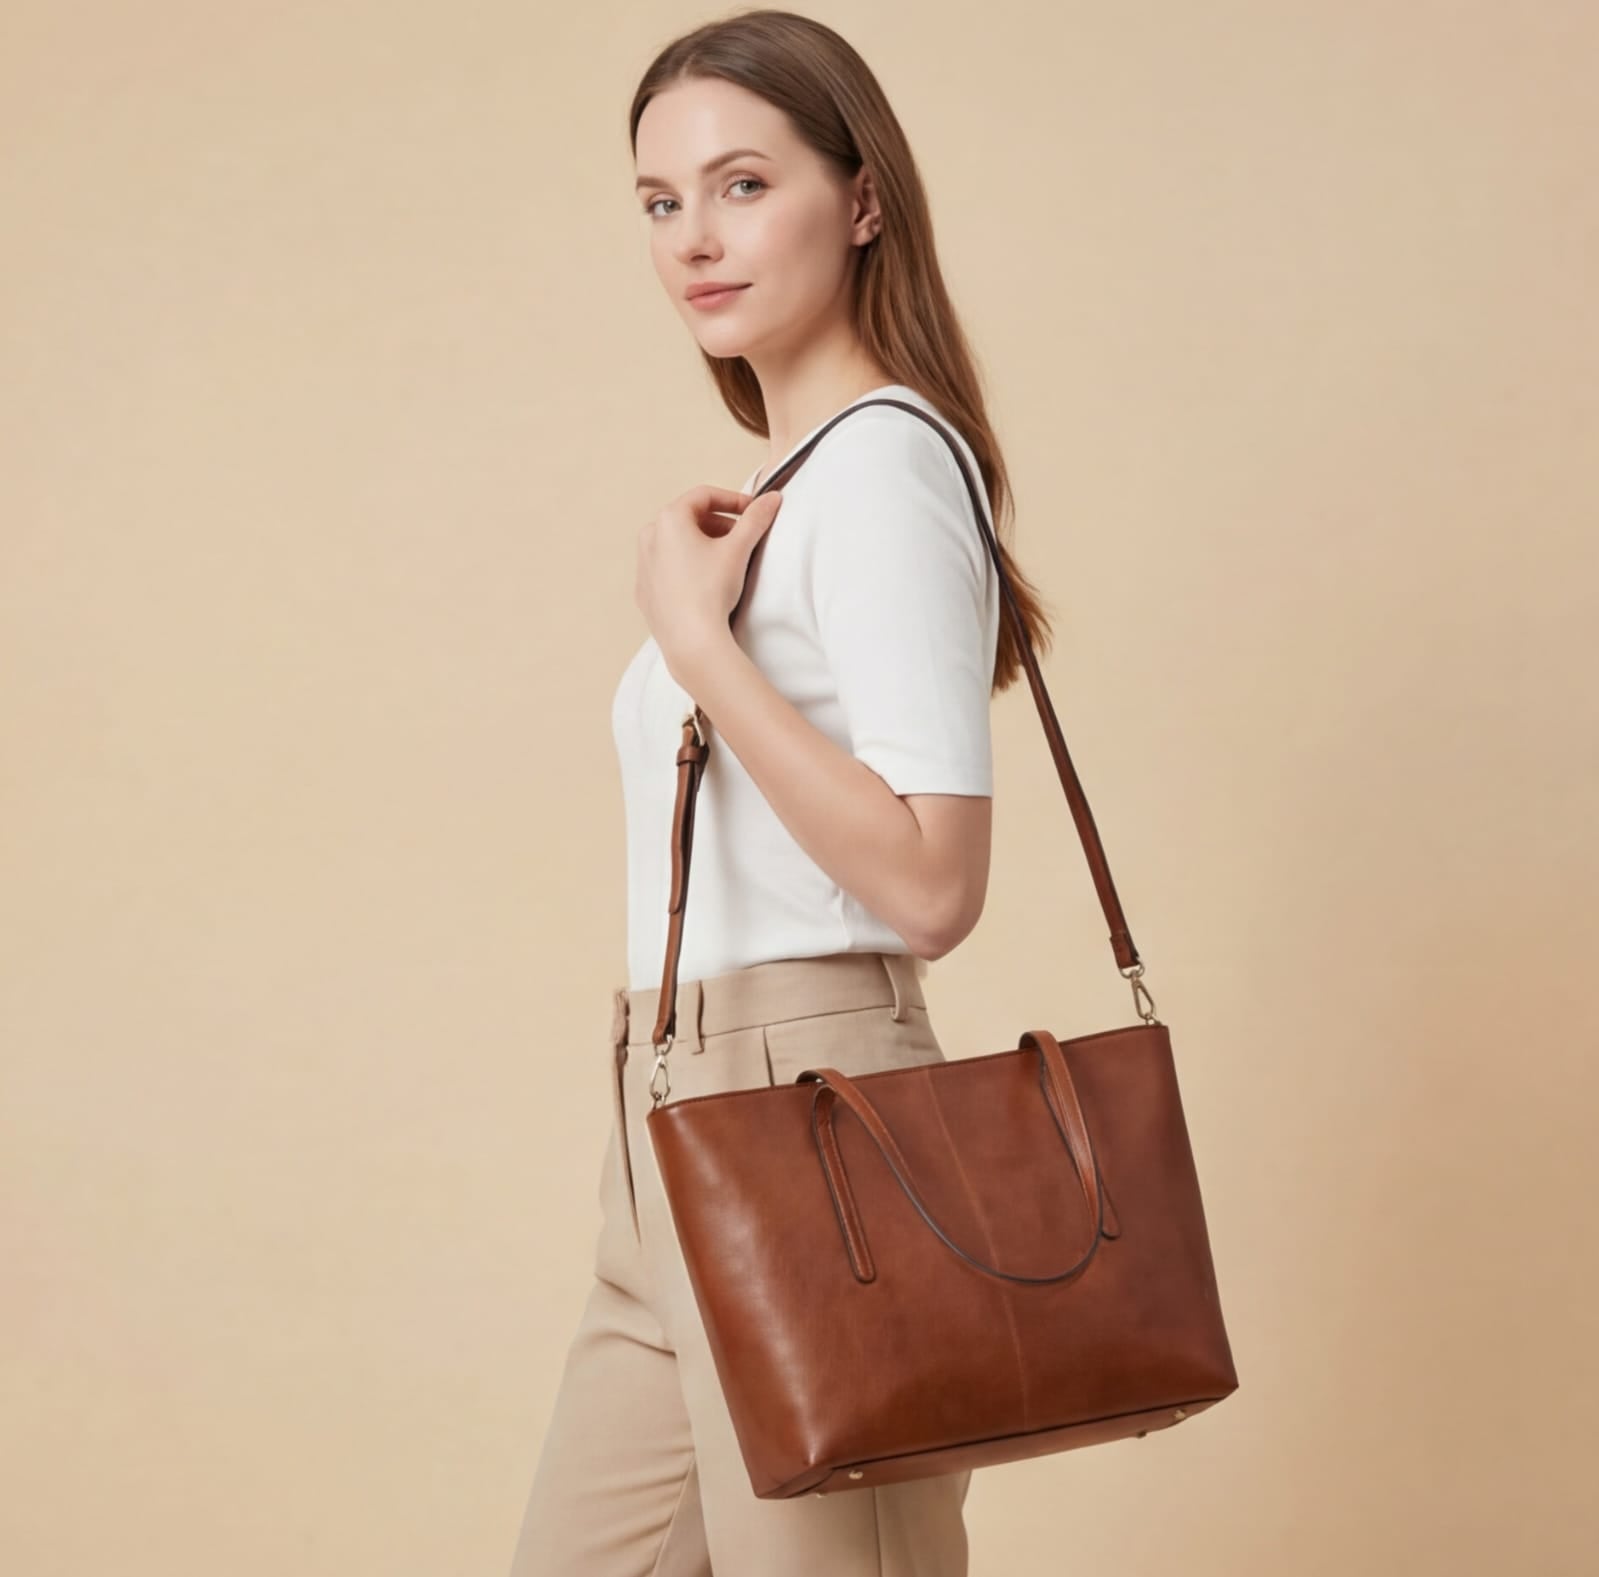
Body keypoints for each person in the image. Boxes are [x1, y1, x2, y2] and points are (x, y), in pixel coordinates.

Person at [507, 10, 1054, 1574]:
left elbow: (936, 886)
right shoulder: (797, 485)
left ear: (862, 197)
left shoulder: (885, 464)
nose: (693, 240)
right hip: (671, 1111)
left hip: (813, 1110)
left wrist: (693, 636)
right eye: (660, 201)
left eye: (743, 184)